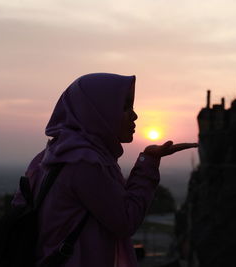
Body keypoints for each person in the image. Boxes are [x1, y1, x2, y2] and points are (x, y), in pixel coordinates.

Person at [11, 73, 197, 267]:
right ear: (98, 112)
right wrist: (148, 162)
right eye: (124, 107)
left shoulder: (51, 155)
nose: (134, 115)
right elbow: (125, 220)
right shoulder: (83, 162)